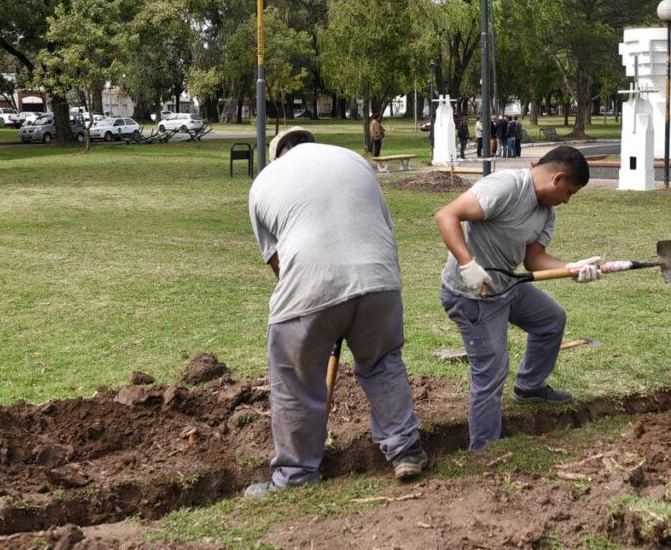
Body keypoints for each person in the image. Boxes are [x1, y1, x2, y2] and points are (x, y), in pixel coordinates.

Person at [245, 127, 427, 496]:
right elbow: (381, 227)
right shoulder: (356, 162)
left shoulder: (264, 180)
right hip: (380, 279)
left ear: (278, 154)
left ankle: (295, 477)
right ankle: (406, 450)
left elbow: (279, 264)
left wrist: (322, 319)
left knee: (294, 379)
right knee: (382, 362)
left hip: (311, 284)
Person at [434, 145, 600, 452]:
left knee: (551, 319)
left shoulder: (545, 212)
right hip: (473, 295)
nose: (566, 201)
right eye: (570, 192)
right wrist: (467, 264)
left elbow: (534, 261)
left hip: (507, 286)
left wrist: (571, 269)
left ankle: (530, 387)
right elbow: (447, 215)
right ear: (558, 178)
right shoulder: (506, 187)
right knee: (492, 370)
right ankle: (484, 450)